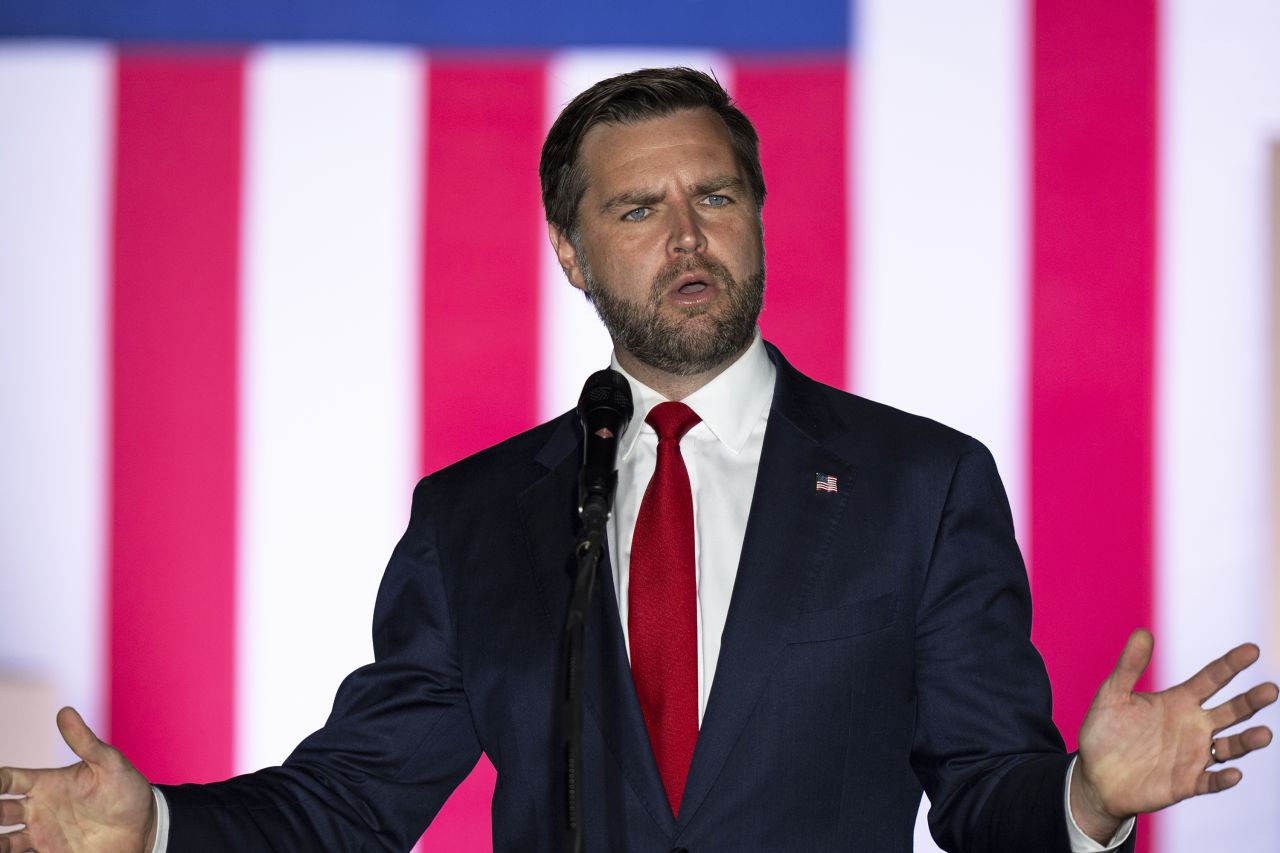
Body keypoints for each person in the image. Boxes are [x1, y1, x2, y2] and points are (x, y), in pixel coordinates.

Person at [1, 67, 1275, 853]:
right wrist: (156, 828)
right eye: (635, 209)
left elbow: (982, 789)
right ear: (571, 252)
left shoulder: (918, 486)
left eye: (713, 198)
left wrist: (1085, 799)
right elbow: (349, 806)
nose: (685, 237)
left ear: (758, 217)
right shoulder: (476, 518)